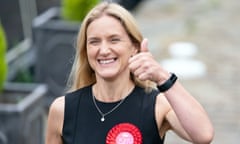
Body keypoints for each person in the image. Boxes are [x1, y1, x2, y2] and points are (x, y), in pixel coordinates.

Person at [45, 2, 214, 144]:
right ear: (86, 50)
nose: (104, 50)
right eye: (94, 42)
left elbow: (203, 135)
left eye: (114, 39)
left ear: (134, 46)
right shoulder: (63, 109)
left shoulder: (157, 105)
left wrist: (162, 77)